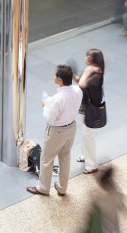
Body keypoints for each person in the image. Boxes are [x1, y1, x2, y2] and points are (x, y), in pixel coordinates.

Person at [27, 65, 82, 196]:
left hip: (57, 132)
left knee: (46, 159)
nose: (54, 76)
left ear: (60, 80)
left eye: (55, 75)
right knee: (65, 158)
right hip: (71, 127)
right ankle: (62, 188)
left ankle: (43, 188)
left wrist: (45, 105)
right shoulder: (77, 90)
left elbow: (50, 118)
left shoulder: (56, 99)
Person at [73, 49, 104, 174]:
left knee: (88, 134)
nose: (86, 57)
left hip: (92, 108)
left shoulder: (96, 74)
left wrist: (87, 70)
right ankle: (84, 155)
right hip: (86, 105)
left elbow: (82, 84)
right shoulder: (91, 71)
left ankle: (92, 164)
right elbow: (79, 80)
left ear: (95, 59)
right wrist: (73, 75)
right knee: (85, 132)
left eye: (90, 56)